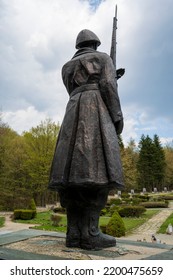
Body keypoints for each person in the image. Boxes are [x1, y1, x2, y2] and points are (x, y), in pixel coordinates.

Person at [48, 29, 124, 250]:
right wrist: (117, 116)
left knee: (71, 175)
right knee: (97, 172)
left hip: (72, 113)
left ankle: (73, 234)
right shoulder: (103, 58)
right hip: (95, 112)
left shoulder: (66, 67)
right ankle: (90, 233)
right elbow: (107, 86)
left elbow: (79, 86)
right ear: (95, 43)